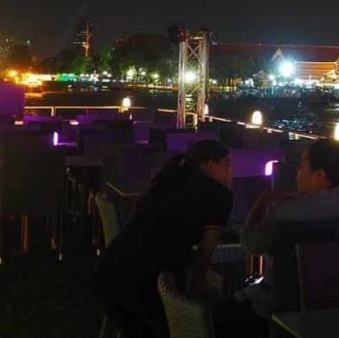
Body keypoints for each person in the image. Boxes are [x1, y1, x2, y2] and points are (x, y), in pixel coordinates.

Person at [90, 139, 234, 338]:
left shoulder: (170, 182)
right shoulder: (219, 195)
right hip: (142, 286)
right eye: (228, 163)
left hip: (111, 271)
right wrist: (193, 307)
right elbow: (204, 258)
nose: (232, 171)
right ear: (211, 165)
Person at [223, 139, 339, 328]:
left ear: (320, 175)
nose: (298, 173)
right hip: (328, 309)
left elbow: (250, 245)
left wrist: (261, 203)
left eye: (303, 166)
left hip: (272, 308)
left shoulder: (283, 212)